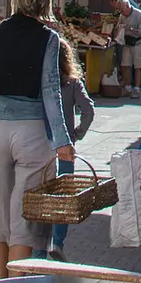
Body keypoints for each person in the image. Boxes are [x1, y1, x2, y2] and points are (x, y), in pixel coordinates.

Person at [0, 0, 74, 279]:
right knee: (25, 218)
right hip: (32, 130)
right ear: (44, 2)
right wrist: (62, 139)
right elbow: (50, 89)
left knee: (0, 218)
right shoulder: (48, 38)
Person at [48, 36, 96, 262]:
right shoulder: (73, 83)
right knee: (63, 196)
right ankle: (57, 243)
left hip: (43, 144)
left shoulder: (43, 82)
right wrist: (78, 133)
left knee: (41, 193)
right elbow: (88, 110)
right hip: (66, 145)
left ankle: (39, 244)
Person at [117, 0, 141, 89]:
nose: (122, 13)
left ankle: (136, 88)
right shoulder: (122, 16)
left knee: (138, 66)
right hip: (127, 42)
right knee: (125, 64)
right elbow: (119, 27)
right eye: (120, 11)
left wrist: (132, 30)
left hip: (139, 42)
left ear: (128, 6)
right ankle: (127, 87)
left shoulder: (139, 15)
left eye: (123, 11)